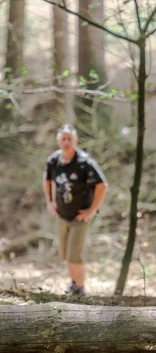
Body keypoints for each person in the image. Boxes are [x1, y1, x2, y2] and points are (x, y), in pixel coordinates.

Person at [43, 124, 108, 296]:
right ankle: (73, 284)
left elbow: (102, 185)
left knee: (74, 255)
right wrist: (49, 202)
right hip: (62, 215)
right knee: (65, 254)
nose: (66, 142)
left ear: (75, 140)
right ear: (58, 141)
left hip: (80, 217)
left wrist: (91, 210)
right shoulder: (54, 161)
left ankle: (81, 288)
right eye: (63, 139)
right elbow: (47, 180)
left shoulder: (84, 162)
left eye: (69, 139)